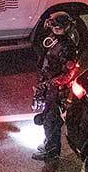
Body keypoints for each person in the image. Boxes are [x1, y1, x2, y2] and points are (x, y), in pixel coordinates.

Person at [30, 12, 80, 162]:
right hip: (48, 84)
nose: (53, 29)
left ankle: (52, 151)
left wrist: (50, 84)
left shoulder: (68, 47)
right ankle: (48, 143)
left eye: (56, 27)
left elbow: (69, 74)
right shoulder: (53, 39)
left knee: (52, 120)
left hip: (57, 90)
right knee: (47, 117)